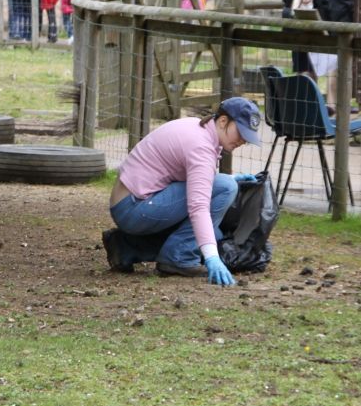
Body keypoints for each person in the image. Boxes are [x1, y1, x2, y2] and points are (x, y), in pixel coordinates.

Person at [101, 97, 263, 286]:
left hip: (131, 203)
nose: (243, 140)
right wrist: (212, 258)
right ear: (223, 121)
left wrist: (231, 177)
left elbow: (192, 176)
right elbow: (198, 206)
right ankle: (178, 258)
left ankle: (126, 246)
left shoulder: (198, 128)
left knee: (215, 236)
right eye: (241, 132)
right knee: (225, 190)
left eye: (247, 137)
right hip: (134, 207)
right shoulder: (201, 147)